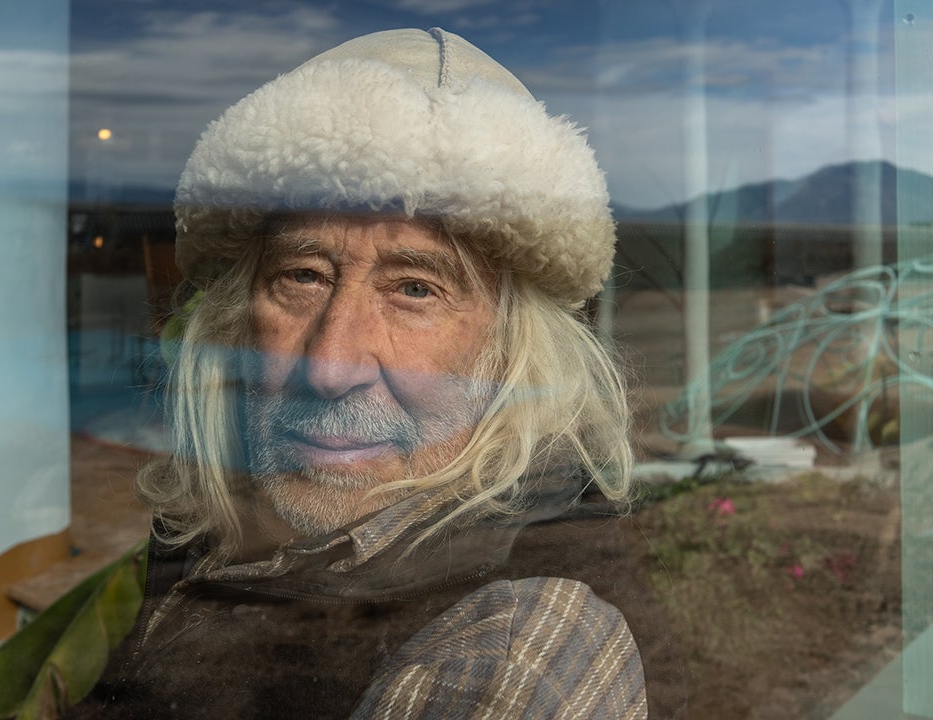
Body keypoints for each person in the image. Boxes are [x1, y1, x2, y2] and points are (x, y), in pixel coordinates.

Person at [66, 27, 680, 719]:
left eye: (415, 289)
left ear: (513, 353)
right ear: (237, 316)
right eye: (303, 276)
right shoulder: (228, 532)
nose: (330, 366)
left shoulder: (505, 655)